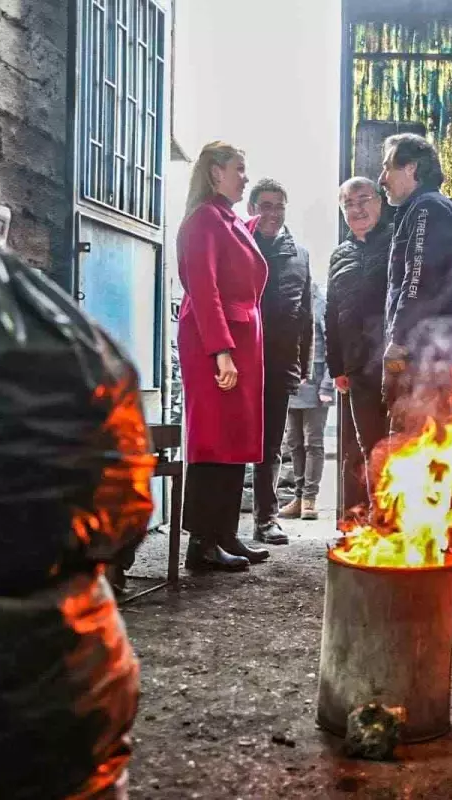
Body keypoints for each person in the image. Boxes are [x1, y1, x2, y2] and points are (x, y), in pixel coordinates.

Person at [176, 141, 271, 572]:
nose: (244, 177)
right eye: (239, 169)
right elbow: (204, 288)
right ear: (215, 173)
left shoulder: (227, 219)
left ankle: (225, 533)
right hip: (216, 343)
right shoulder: (202, 221)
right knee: (213, 438)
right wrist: (221, 352)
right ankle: (202, 542)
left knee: (234, 438)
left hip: (239, 342)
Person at [378, 134, 452, 429]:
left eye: (387, 167)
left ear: (411, 169)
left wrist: (398, 342)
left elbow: (417, 279)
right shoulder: (422, 209)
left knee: (417, 439)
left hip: (429, 356)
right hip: (431, 350)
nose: (382, 178)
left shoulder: (426, 209)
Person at [247, 178, 313, 545]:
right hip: (240, 363)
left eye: (279, 206)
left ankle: (265, 520)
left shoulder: (299, 255)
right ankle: (220, 526)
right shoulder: (240, 246)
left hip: (278, 363)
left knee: (271, 445)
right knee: (233, 443)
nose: (272, 213)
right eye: (265, 205)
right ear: (252, 209)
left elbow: (304, 316)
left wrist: (304, 364)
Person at [326, 177, 392, 505]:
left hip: (397, 363)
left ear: (381, 201)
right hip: (358, 368)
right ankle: (379, 519)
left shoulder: (398, 242)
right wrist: (337, 366)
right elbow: (332, 314)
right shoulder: (340, 255)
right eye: (348, 204)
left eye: (364, 199)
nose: (357, 209)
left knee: (404, 443)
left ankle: (411, 523)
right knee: (369, 447)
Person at [279, 282, 334, 521]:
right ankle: (299, 497)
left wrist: (327, 384)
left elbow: (332, 346)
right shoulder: (289, 300)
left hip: (316, 385)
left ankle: (310, 499)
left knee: (313, 443)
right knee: (294, 442)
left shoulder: (321, 302)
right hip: (293, 384)